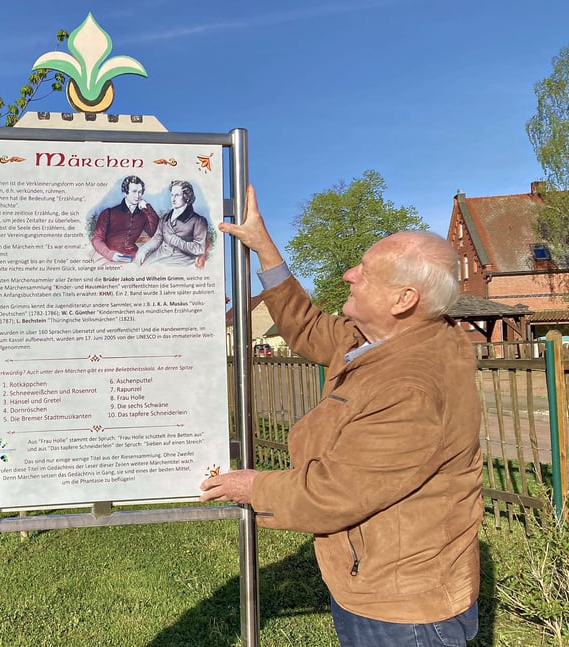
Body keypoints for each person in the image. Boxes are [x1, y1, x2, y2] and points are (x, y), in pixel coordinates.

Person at [201, 186, 483, 646]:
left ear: (403, 300)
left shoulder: (409, 387)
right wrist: (264, 247)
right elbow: (308, 328)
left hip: (402, 608)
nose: (349, 274)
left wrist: (251, 487)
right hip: (375, 581)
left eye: (366, 273)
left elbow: (333, 494)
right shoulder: (384, 340)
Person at [135, 179, 209, 267]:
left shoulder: (198, 221)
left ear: (186, 197)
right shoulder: (166, 217)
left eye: (177, 195)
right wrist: (143, 250)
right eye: (172, 195)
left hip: (180, 260)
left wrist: (177, 241)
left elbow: (199, 249)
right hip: (159, 255)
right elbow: (157, 239)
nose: (173, 199)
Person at [91, 174, 159, 262]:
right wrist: (110, 254)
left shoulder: (144, 214)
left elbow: (155, 233)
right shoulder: (108, 213)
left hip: (133, 256)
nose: (138, 196)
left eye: (140, 192)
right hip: (108, 256)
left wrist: (148, 208)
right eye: (134, 191)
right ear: (125, 192)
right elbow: (97, 239)